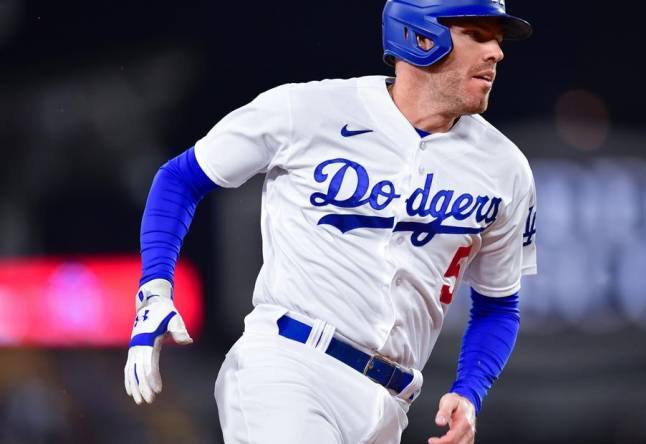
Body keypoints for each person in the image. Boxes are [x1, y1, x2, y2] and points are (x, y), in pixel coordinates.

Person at [123, 0, 538, 442]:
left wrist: (470, 391)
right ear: (419, 36)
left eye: (496, 39)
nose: (497, 52)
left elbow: (498, 304)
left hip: (390, 403)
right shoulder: (307, 110)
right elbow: (181, 178)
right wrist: (154, 289)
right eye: (477, 35)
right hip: (288, 367)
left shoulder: (505, 168)